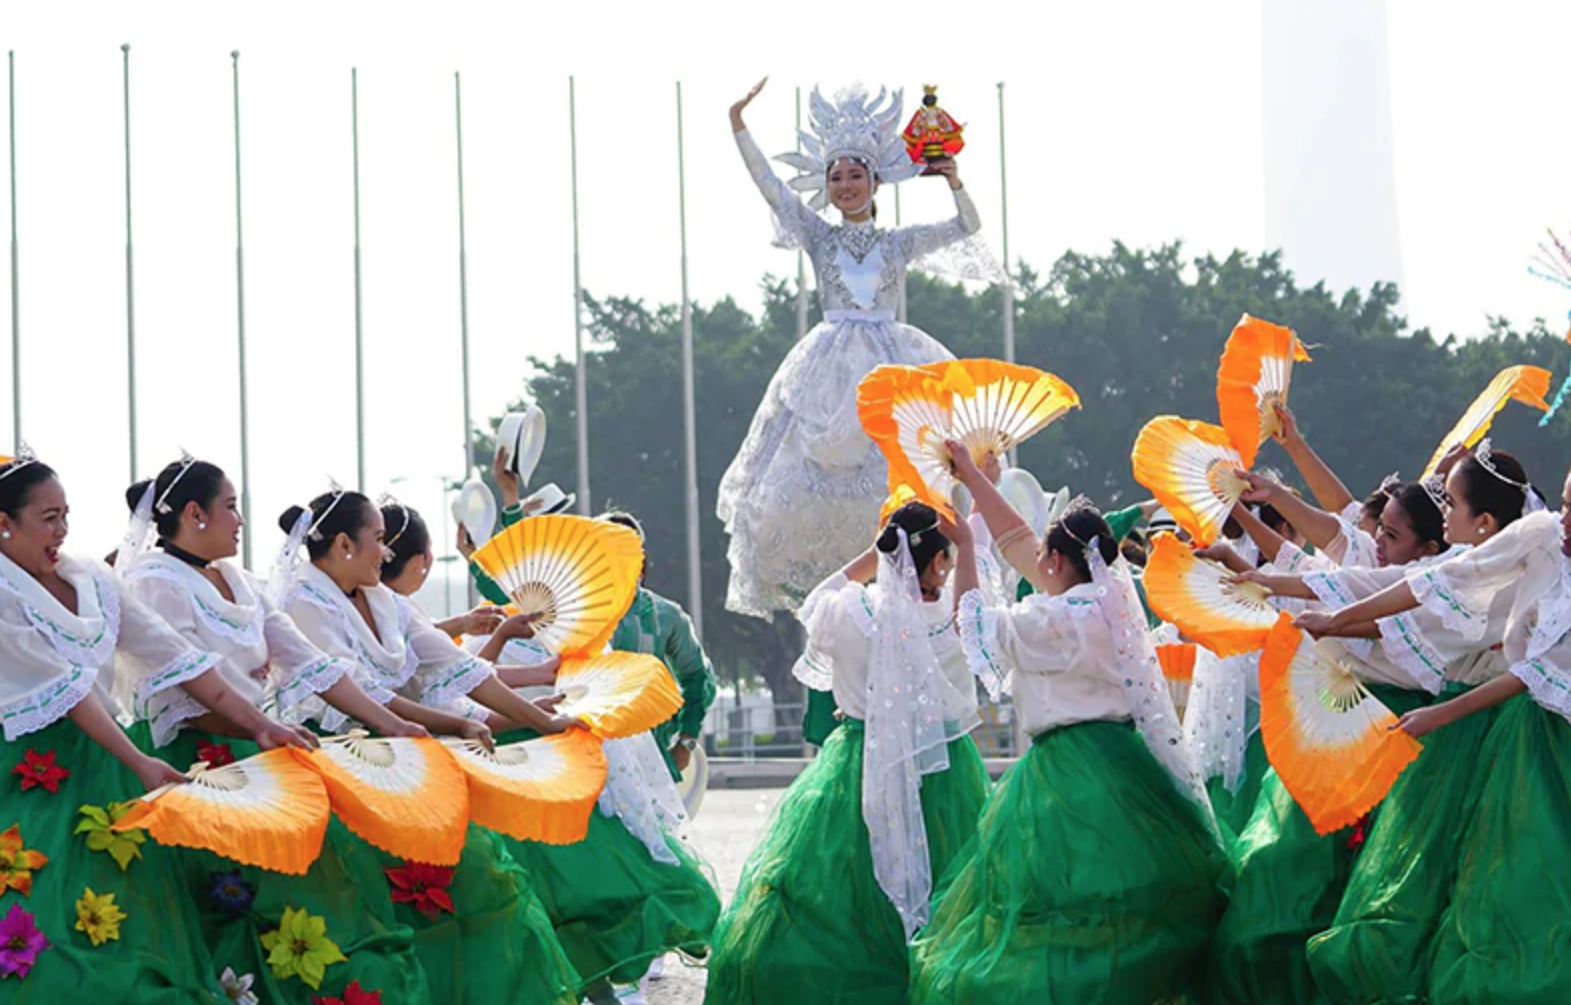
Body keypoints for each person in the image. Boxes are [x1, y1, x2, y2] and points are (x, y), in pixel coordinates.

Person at [908, 444, 1224, 1004]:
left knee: (1054, 904)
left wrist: (967, 547)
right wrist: (978, 480)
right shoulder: (1112, 604)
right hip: (1122, 762)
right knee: (1119, 901)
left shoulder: (1047, 617)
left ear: (1057, 562)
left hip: (1062, 769)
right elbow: (1024, 545)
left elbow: (971, 621)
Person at [120, 458, 439, 1005]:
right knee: (238, 904)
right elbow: (183, 693)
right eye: (231, 507)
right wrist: (263, 726)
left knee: (314, 897)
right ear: (193, 514)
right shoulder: (154, 581)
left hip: (257, 746)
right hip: (197, 763)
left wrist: (395, 723)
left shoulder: (240, 581)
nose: (241, 520)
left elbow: (310, 661)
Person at [0, 455, 301, 1001]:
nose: (62, 531)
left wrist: (260, 724)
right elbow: (69, 693)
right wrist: (138, 761)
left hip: (106, 763)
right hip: (34, 773)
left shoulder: (91, 576)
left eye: (66, 515)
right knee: (42, 917)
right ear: (4, 523)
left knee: (128, 913)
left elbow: (172, 653)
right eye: (48, 517)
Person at [273, 488, 582, 1005]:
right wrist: (450, 724)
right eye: (377, 540)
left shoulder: (386, 601)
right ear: (345, 544)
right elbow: (358, 695)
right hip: (337, 766)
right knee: (372, 907)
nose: (386, 553)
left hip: (403, 759)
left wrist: (540, 721)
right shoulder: (301, 602)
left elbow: (463, 669)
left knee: (469, 881)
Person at [1286, 456, 1567, 1005]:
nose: (1567, 518)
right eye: (1566, 502)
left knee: (1538, 885)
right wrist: (1337, 619)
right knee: (1478, 885)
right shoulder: (1541, 535)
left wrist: (1438, 714)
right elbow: (1433, 580)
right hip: (1516, 735)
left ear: (1481, 518)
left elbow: (1532, 675)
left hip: (1546, 740)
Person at [718, 78, 987, 619]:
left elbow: (968, 224)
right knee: (806, 471)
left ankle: (918, 565)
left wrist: (954, 180)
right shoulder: (819, 236)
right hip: (829, 367)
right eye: (836, 176)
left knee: (909, 466)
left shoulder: (896, 243)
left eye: (855, 174)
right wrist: (738, 124)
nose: (845, 185)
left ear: (875, 181)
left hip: (894, 357)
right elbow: (769, 185)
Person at [705, 500, 989, 1005]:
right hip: (941, 767)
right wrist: (966, 542)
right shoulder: (947, 620)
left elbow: (819, 595)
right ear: (939, 561)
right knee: (950, 888)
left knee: (844, 890)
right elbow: (977, 615)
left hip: (857, 761)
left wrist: (883, 543)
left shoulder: (853, 610)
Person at [1205, 476, 1455, 1005]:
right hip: (1345, 726)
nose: (1376, 542)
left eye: (1390, 535)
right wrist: (1263, 508)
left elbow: (1339, 586)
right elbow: (1324, 553)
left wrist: (1260, 575)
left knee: (1369, 883)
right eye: (1379, 530)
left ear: (1429, 546)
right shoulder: (1384, 560)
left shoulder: (1435, 580)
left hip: (1402, 736)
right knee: (1287, 874)